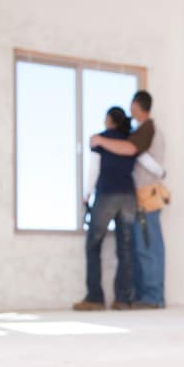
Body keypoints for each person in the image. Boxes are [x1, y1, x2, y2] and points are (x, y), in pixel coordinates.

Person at [90, 90, 166, 309]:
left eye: (132, 106)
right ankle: (145, 296)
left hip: (147, 195)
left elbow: (132, 150)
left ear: (137, 106)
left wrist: (100, 140)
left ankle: (153, 297)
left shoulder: (146, 128)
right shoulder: (140, 130)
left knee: (148, 246)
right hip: (138, 196)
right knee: (139, 246)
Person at [73, 107, 137, 311]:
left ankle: (95, 297)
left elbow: (94, 168)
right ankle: (123, 299)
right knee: (125, 249)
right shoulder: (129, 141)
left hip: (107, 195)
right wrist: (161, 173)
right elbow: (147, 162)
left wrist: (87, 193)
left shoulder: (100, 139)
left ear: (109, 120)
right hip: (128, 196)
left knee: (93, 244)